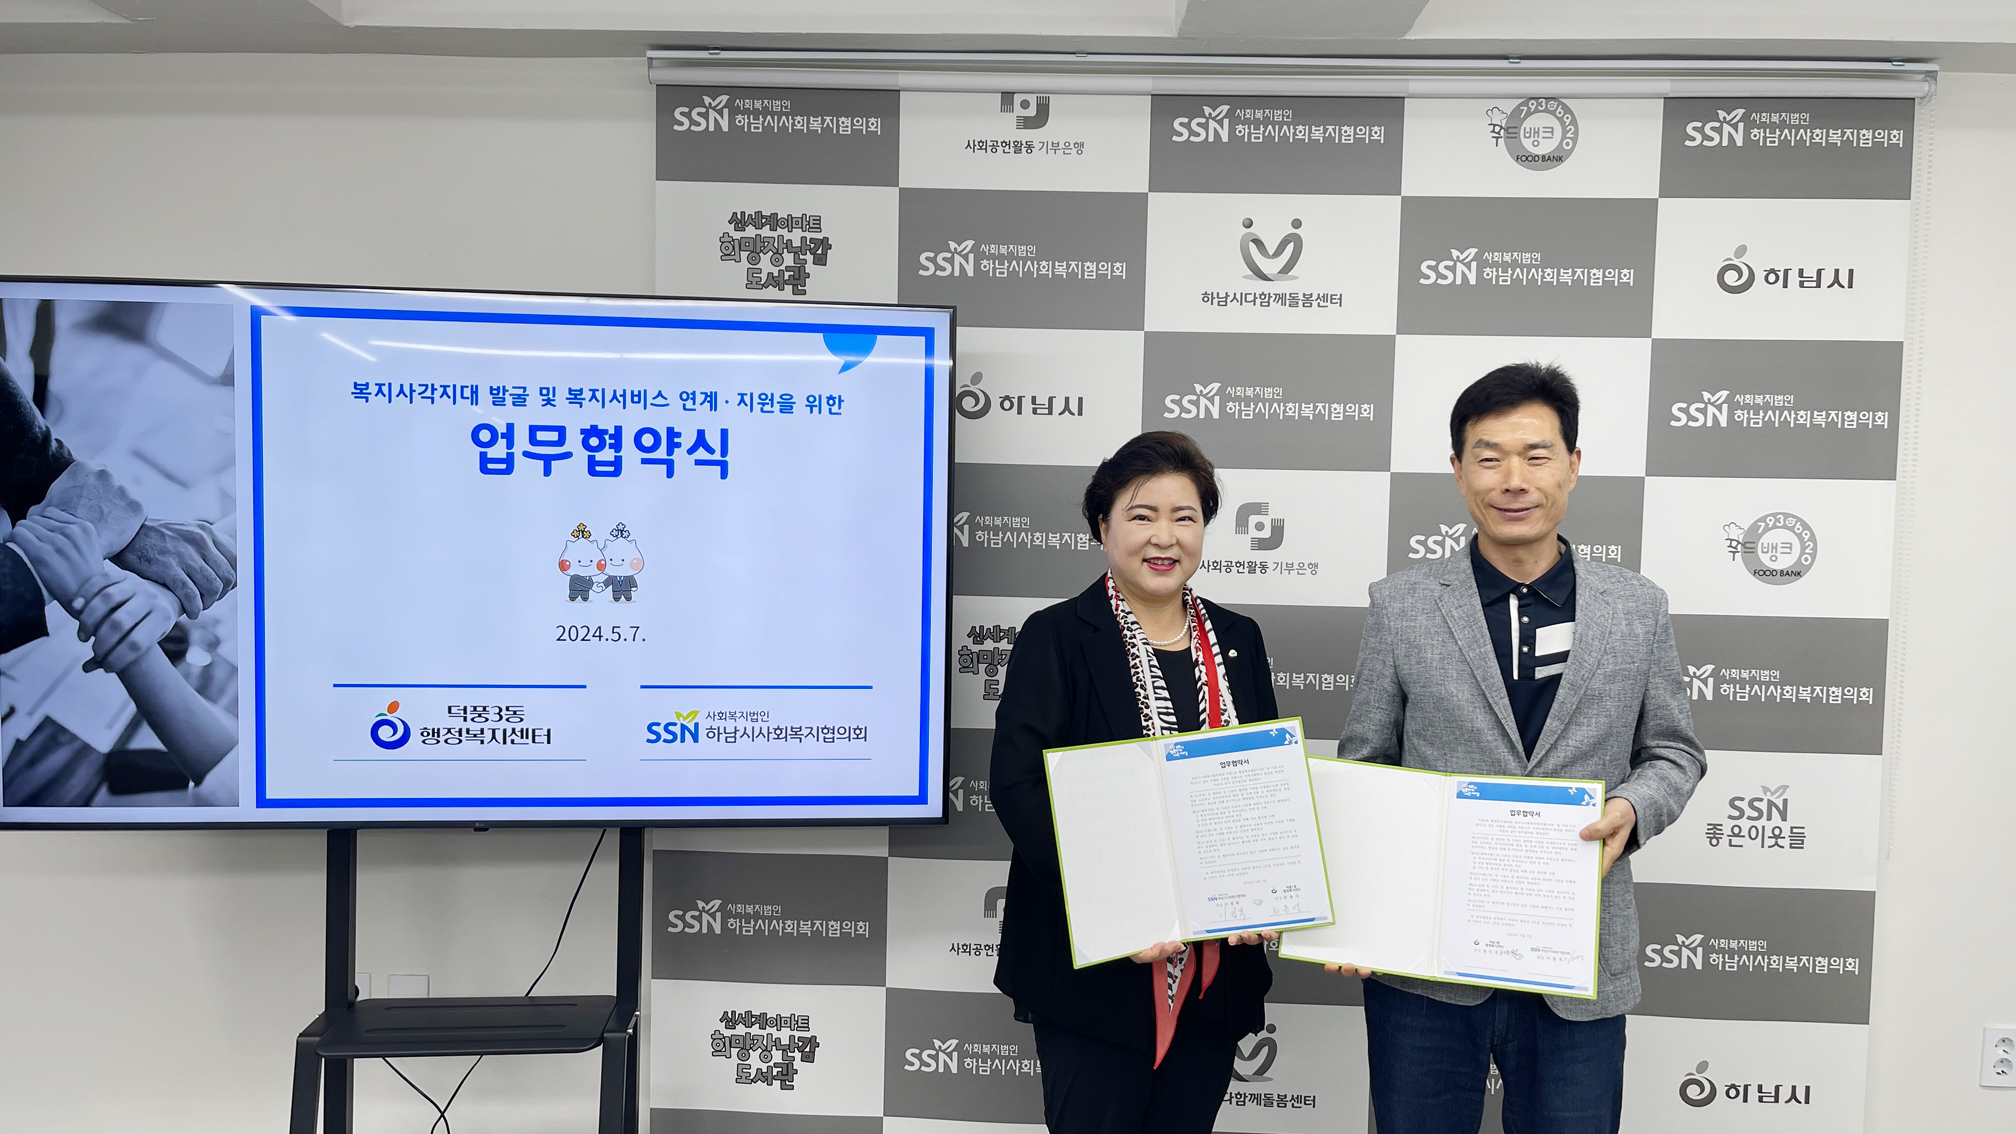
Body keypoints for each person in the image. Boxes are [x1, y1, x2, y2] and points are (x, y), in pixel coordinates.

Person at [1329, 364, 1706, 1134]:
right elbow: (1366, 767)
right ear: (1458, 469)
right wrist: (1364, 914)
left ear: (1573, 464)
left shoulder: (1637, 606)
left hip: (1577, 963)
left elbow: (1674, 751)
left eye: (1536, 456)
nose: (1513, 480)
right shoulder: (1401, 605)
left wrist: (1633, 807)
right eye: (1489, 457)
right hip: (1425, 967)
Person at [991, 431, 1279, 1134]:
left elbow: (1263, 786)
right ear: (1103, 526)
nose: (1164, 537)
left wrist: (1265, 886)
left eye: (1185, 517)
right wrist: (1116, 907)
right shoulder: (1058, 636)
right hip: (1096, 972)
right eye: (1142, 515)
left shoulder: (1238, 640)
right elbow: (1020, 788)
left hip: (1213, 974)